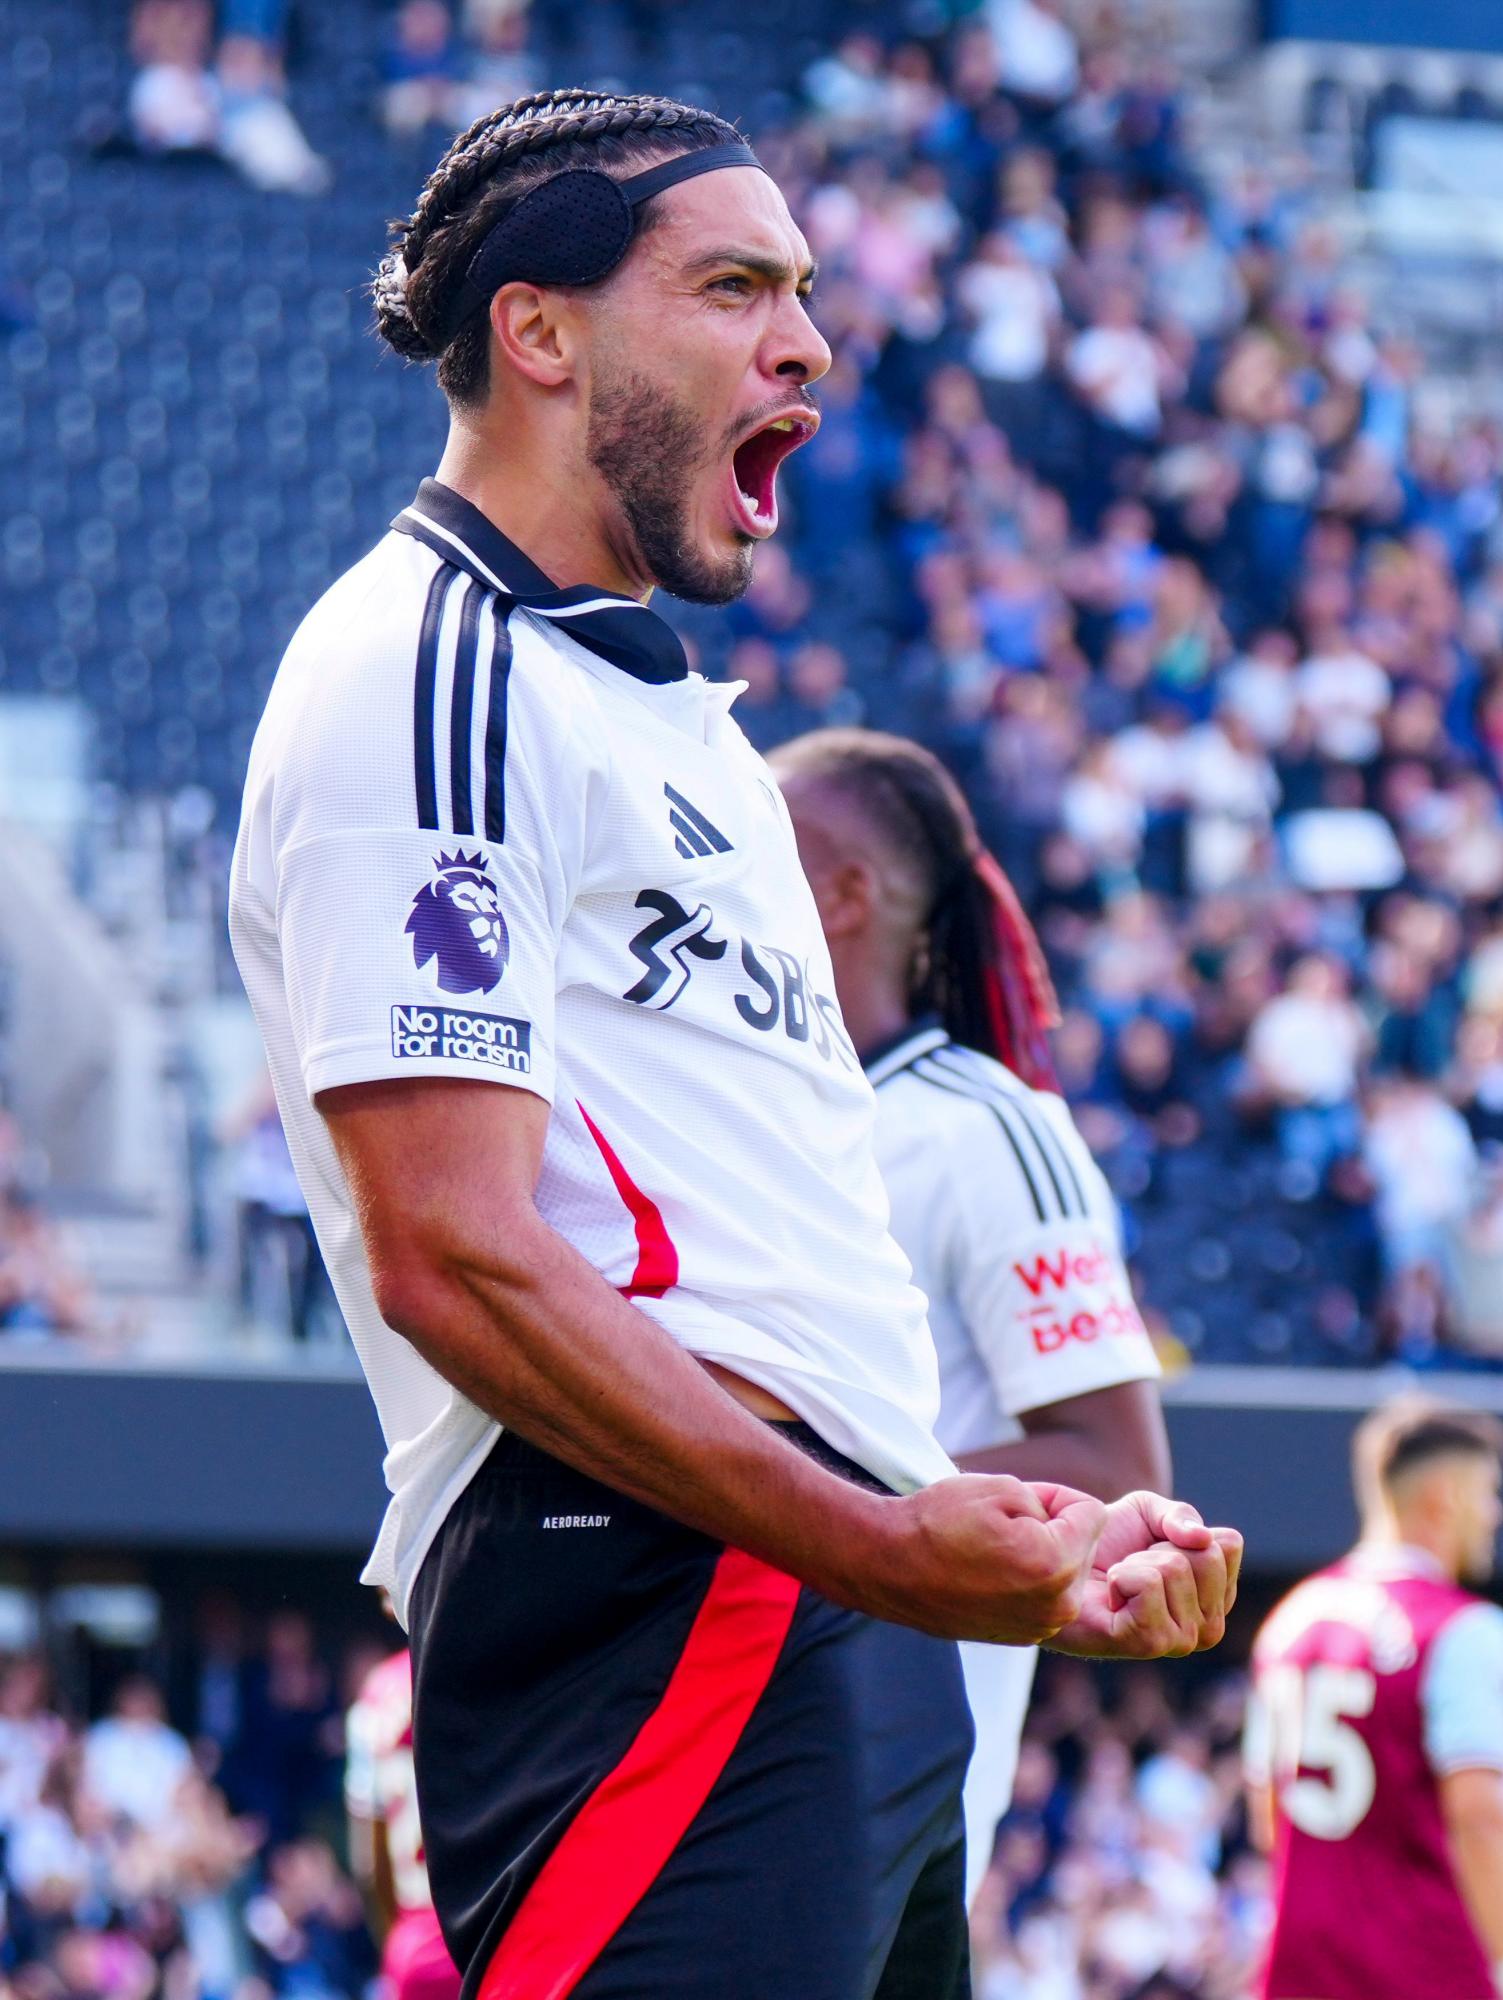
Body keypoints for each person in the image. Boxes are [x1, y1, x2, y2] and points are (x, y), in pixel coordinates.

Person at [229, 89, 1241, 1999]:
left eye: (802, 290)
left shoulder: (678, 718)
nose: (809, 341)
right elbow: (455, 1251)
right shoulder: (428, 667)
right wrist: (876, 1538)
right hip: (656, 1585)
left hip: (825, 1613)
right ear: (539, 333)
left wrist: (981, 1517)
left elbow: (773, 1260)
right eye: (733, 286)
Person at [774, 727, 1171, 1899]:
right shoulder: (755, 1111)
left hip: (879, 1766)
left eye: (759, 835)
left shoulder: (985, 1127)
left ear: (844, 893)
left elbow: (1112, 1456)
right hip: (729, 1712)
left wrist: (772, 1494)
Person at [1244, 1397, 1503, 2000]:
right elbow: (1480, 1816)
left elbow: (1268, 1817)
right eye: (1487, 1491)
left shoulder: (1290, 1618)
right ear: (1444, 1495)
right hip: (1427, 1969)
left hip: (1298, 1969)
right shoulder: (1462, 1627)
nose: (1495, 1513)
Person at [347, 1624, 459, 2000]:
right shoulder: (493, 1674)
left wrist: (396, 1937)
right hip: (489, 1940)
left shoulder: (378, 1692)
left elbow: (368, 1860)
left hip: (414, 1944)